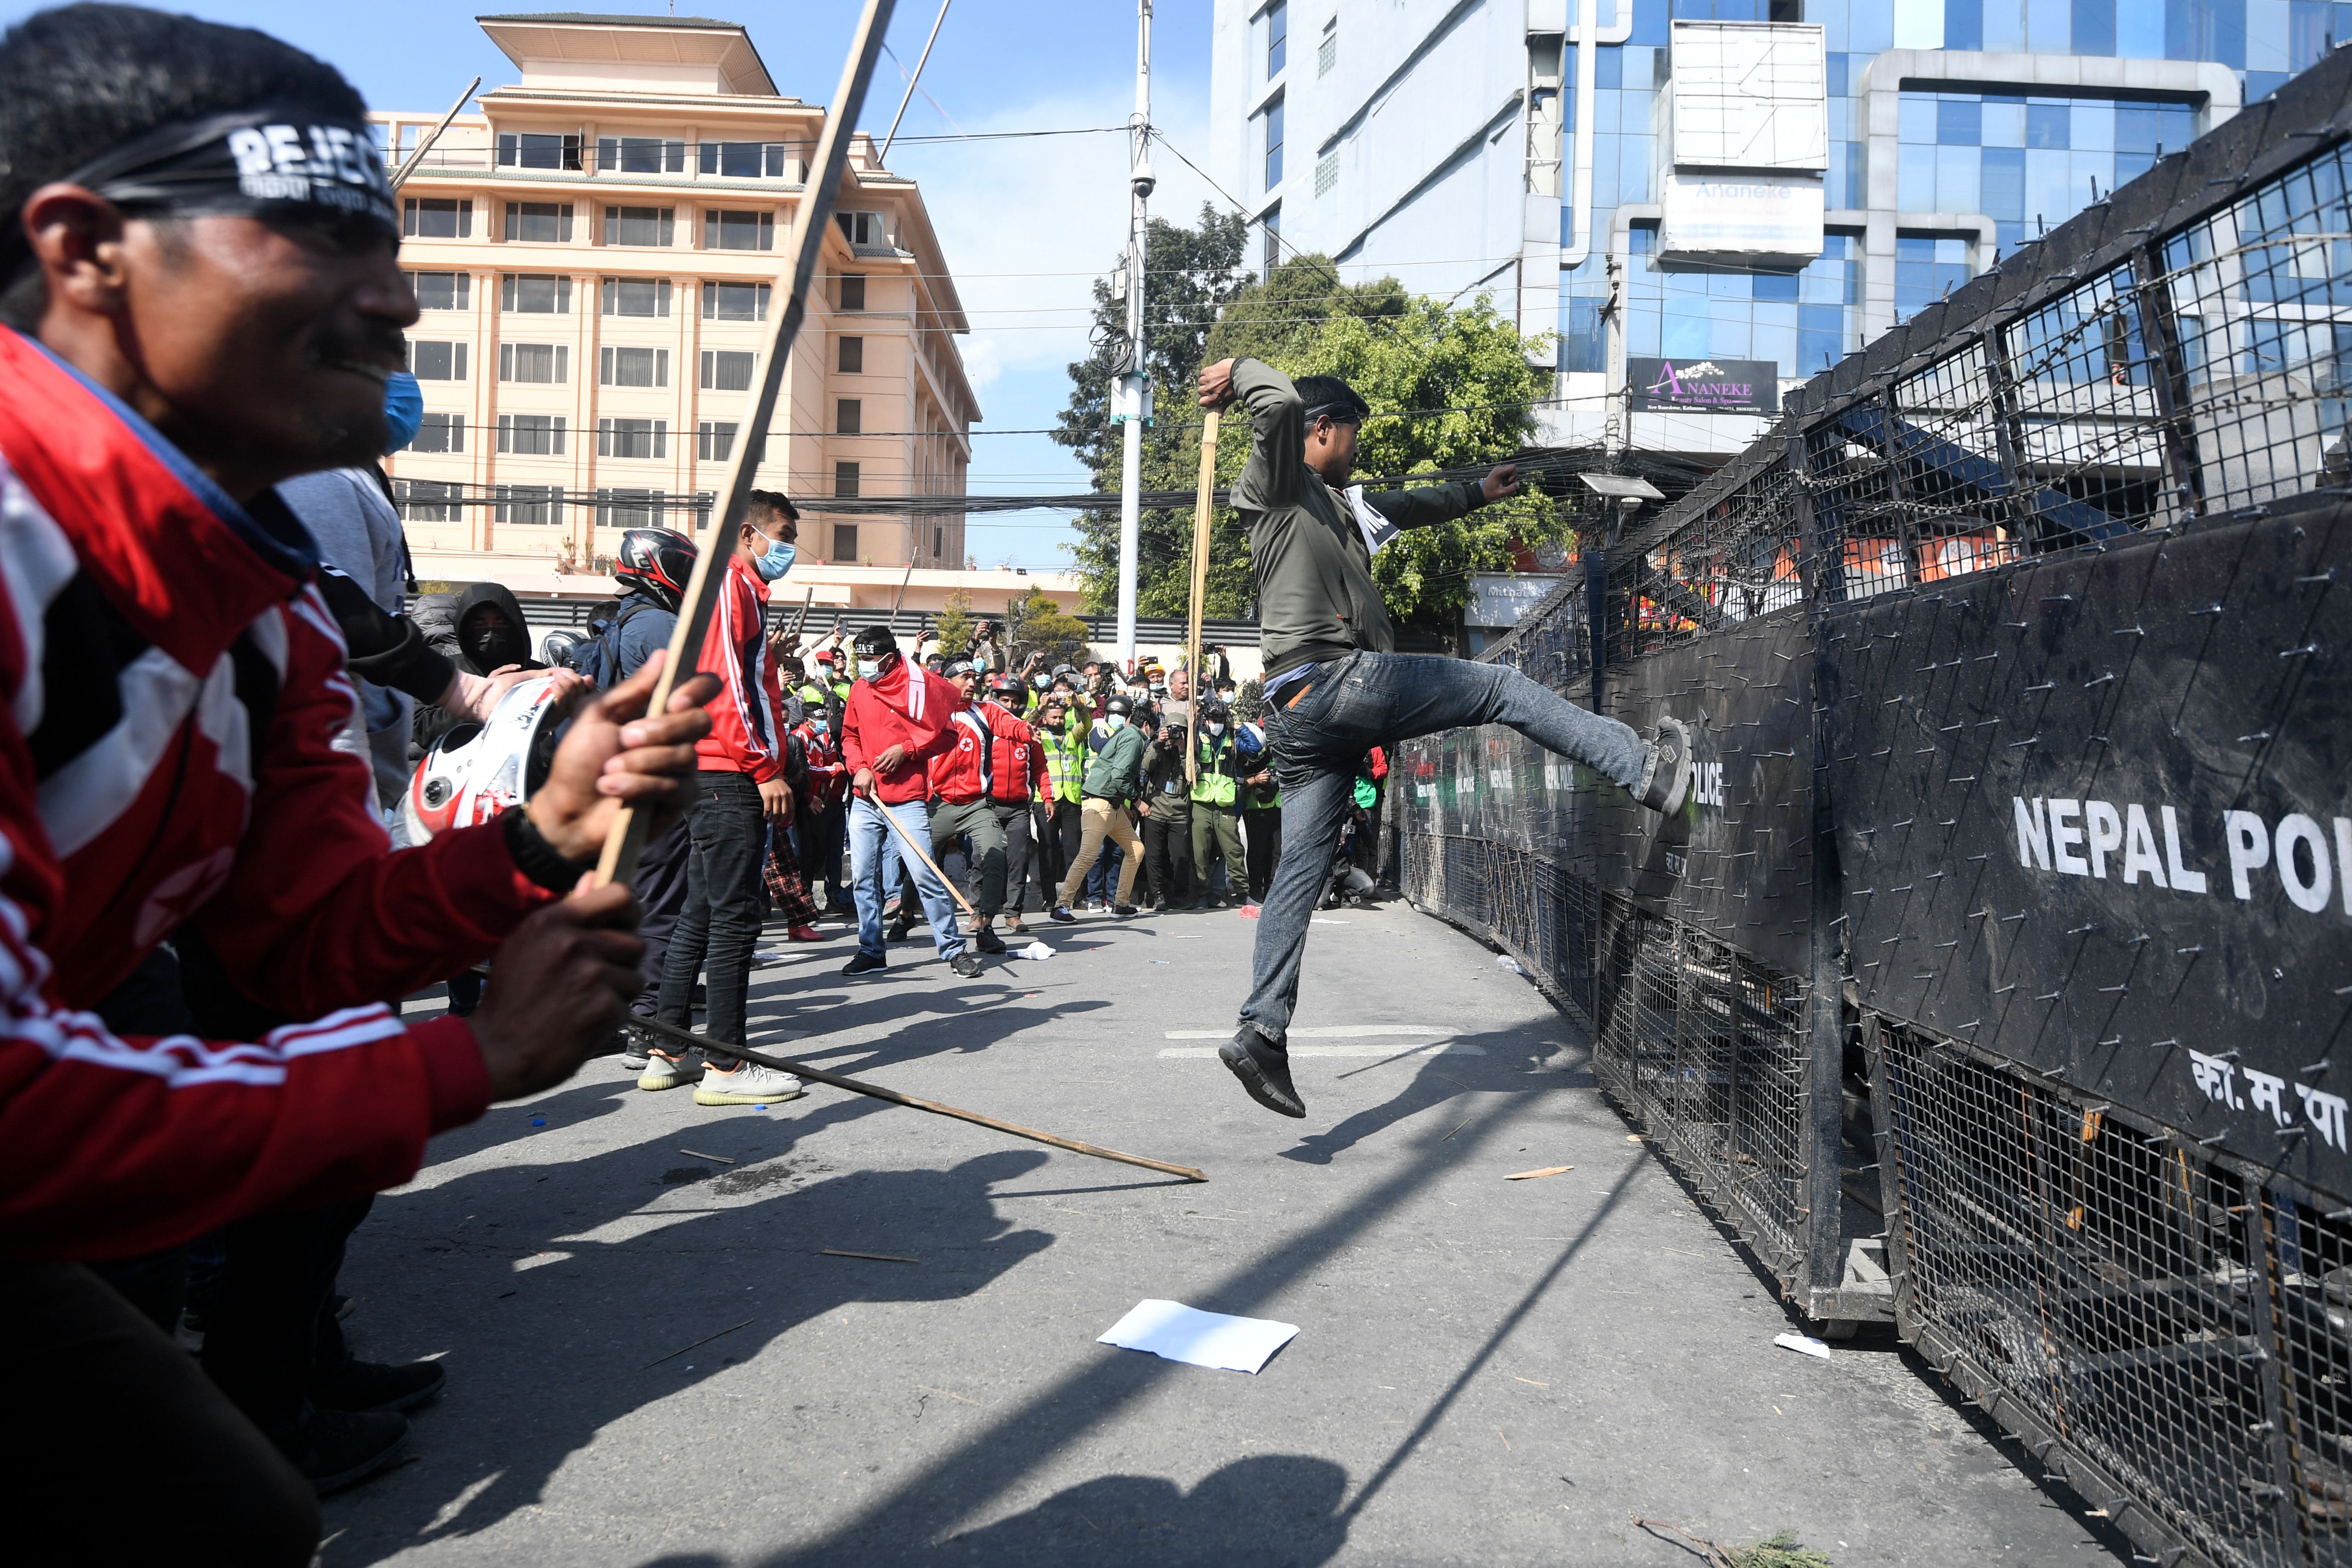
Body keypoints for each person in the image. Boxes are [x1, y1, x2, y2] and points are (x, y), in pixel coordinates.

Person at [0, 6, 718, 1555]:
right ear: (84, 249)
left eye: (391, 245)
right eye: (320, 236)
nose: (395, 298)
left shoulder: (263, 604)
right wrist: (466, 1061)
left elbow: (293, 945)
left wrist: (536, 838)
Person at [1195, 355, 1693, 1120]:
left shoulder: (1340, 506)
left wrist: (1476, 493)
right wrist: (1244, 369)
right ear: (1319, 431)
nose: (1356, 450)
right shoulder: (1278, 487)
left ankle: (1261, 1030)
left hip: (1300, 718)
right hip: (1332, 682)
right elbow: (1279, 408)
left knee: (1300, 868)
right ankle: (1646, 773)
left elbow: (1408, 503)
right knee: (1500, 685)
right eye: (1349, 435)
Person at [645, 491, 804, 1108]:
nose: (788, 548)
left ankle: (669, 1047)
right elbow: (727, 690)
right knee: (735, 915)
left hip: (708, 767)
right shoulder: (730, 588)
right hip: (727, 771)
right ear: (748, 533)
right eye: (782, 534)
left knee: (702, 909)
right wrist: (765, 768)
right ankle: (727, 1063)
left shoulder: (732, 590)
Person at [583, 527, 698, 1066]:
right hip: (655, 779)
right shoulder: (659, 624)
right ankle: (648, 1020)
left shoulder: (622, 618)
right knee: (660, 902)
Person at [839, 626, 984, 979]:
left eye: (870, 660)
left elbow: (947, 735)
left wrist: (906, 750)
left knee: (926, 874)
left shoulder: (920, 687)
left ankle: (952, 949)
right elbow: (849, 736)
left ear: (889, 659)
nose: (864, 666)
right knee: (862, 878)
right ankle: (871, 949)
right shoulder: (860, 689)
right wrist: (859, 768)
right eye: (860, 659)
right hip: (865, 798)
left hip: (906, 800)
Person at [921, 660, 1010, 954]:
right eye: (964, 678)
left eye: (974, 678)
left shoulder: (986, 711)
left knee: (996, 855)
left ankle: (985, 925)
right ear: (947, 682)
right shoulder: (930, 711)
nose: (971, 683)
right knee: (920, 864)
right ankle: (906, 915)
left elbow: (1012, 724)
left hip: (977, 805)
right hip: (939, 805)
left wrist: (1026, 731)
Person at [1050, 694, 1148, 922]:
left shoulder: (1123, 735)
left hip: (1112, 806)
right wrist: (1137, 802)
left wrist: (1123, 806)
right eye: (1114, 715)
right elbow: (1119, 775)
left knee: (1136, 850)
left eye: (1122, 715)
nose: (1117, 719)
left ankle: (1121, 904)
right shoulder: (1131, 737)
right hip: (1098, 804)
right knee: (1088, 855)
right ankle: (1061, 906)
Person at [982, 673, 1049, 933]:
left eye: (1014, 701)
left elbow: (1041, 768)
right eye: (1004, 700)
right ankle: (979, 913)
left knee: (1018, 862)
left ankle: (1013, 914)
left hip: (1020, 808)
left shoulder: (1029, 734)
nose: (1009, 706)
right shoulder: (985, 733)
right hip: (988, 805)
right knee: (983, 860)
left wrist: (1048, 796)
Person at [1190, 698, 1246, 909]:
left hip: (1225, 803)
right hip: (1202, 802)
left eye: (1221, 719)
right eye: (1213, 718)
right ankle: (1203, 894)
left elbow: (1255, 746)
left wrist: (1236, 727)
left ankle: (1242, 892)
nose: (1217, 722)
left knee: (1234, 851)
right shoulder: (1197, 738)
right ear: (1206, 719)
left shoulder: (1231, 738)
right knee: (1200, 852)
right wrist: (1195, 720)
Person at [1033, 689, 1083, 898]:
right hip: (1046, 800)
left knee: (1074, 851)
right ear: (1045, 719)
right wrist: (1038, 708)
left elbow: (1087, 723)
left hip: (1072, 800)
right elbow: (1023, 725)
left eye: (1061, 716)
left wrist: (1079, 706)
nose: (1058, 720)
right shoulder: (1039, 736)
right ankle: (1049, 898)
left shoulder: (1073, 735)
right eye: (1053, 717)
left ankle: (1075, 897)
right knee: (1048, 851)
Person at [1139, 714, 1192, 912]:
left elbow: (1193, 775)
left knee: (1180, 856)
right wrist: (1159, 744)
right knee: (1154, 856)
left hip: (1179, 811)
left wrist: (1183, 750)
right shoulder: (1156, 746)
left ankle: (1180, 895)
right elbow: (1145, 767)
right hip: (1155, 809)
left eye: (1179, 731)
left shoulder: (1190, 750)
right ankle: (1158, 895)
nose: (1175, 734)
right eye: (1172, 730)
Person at [1236, 718, 1280, 911]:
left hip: (1278, 807)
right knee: (1257, 852)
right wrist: (1256, 779)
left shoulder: (1283, 750)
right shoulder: (1251, 751)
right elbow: (1241, 777)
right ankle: (1256, 890)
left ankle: (1274, 890)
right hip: (1256, 809)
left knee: (1277, 851)